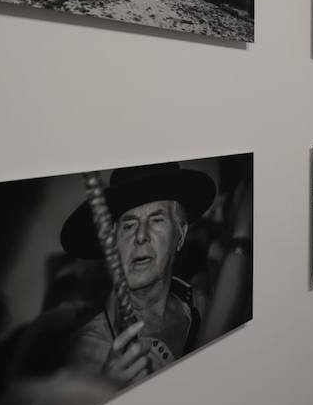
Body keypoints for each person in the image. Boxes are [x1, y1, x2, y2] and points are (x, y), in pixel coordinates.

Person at [56, 162, 219, 388]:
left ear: (180, 236)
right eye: (129, 225)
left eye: (156, 220)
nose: (141, 235)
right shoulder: (88, 352)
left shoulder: (202, 306)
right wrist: (105, 392)